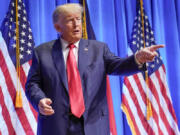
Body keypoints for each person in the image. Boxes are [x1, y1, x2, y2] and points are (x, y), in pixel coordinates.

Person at [25, 3, 164, 135]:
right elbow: (32, 84)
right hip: (56, 126)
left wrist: (137, 59)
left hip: (93, 124)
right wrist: (39, 100)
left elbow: (118, 66)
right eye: (69, 20)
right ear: (58, 27)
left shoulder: (98, 49)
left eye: (78, 19)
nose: (76, 24)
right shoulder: (42, 52)